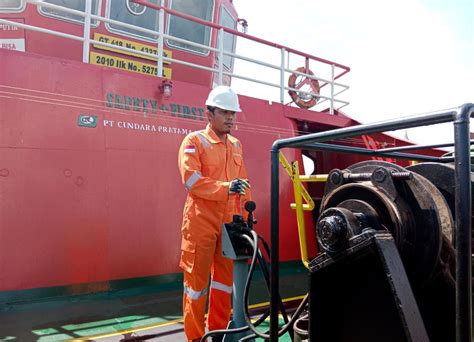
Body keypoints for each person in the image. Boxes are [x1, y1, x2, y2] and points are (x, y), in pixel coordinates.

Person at [178, 86, 251, 342]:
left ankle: (218, 332)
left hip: (230, 222)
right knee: (196, 285)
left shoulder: (236, 145)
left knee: (223, 282)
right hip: (201, 220)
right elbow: (191, 180)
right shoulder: (194, 141)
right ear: (209, 113)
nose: (230, 118)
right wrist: (225, 188)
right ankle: (195, 338)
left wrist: (246, 219)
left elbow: (243, 183)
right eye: (224, 112)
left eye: (233, 113)